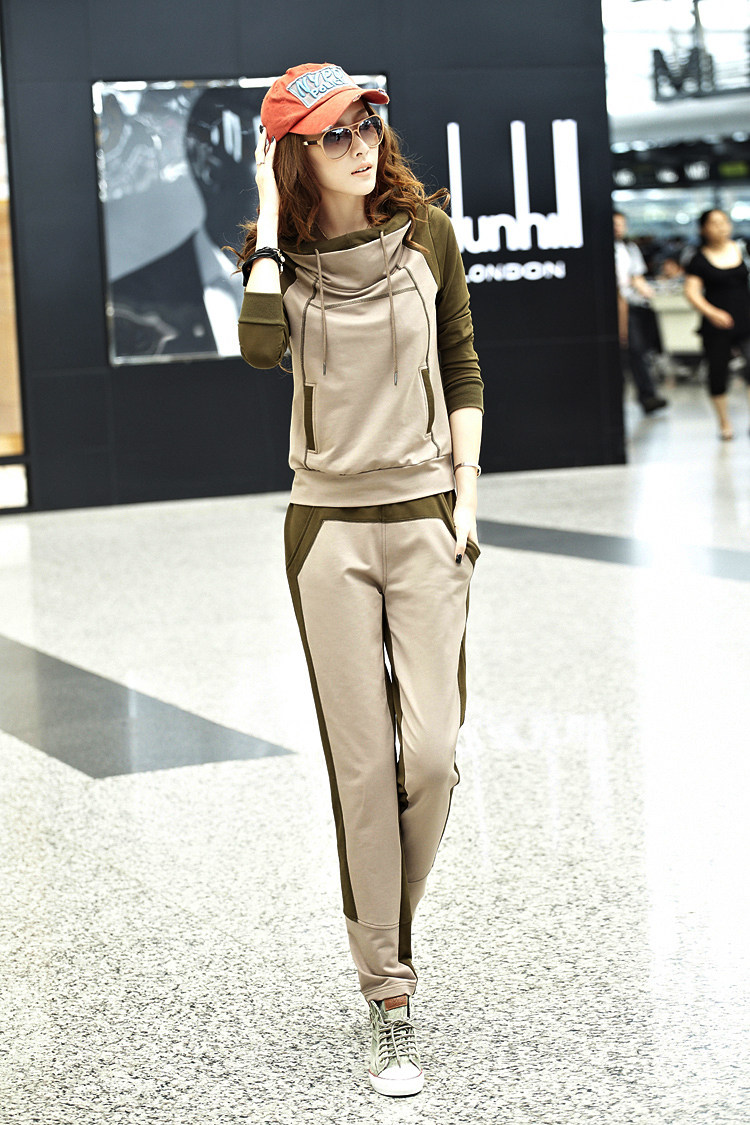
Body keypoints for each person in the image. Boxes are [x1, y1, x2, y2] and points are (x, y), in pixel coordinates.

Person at [234, 62, 483, 1097]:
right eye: (335, 133)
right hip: (327, 529)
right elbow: (258, 353)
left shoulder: (428, 234)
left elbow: (462, 362)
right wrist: (265, 218)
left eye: (368, 124)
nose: (362, 144)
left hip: (426, 517)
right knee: (361, 769)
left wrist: (466, 498)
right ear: (296, 154)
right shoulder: (278, 261)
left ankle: (383, 923)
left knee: (430, 759)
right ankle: (389, 994)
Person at [111, 88, 257, 358]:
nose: (292, 180)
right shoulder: (125, 303)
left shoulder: (327, 284)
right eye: (268, 161)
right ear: (207, 168)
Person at [684, 208, 750, 440]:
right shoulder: (698, 259)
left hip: (746, 320)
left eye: (724, 222)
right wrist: (712, 313)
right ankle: (724, 422)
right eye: (714, 223)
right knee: (718, 372)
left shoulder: (743, 249)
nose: (721, 227)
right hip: (717, 325)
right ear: (703, 229)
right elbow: (691, 293)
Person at [613, 211, 669, 415]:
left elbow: (636, 277)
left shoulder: (629, 248)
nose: (618, 228)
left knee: (637, 350)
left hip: (630, 304)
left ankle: (647, 395)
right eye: (614, 224)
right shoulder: (599, 247)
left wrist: (649, 290)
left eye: (621, 224)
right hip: (611, 305)